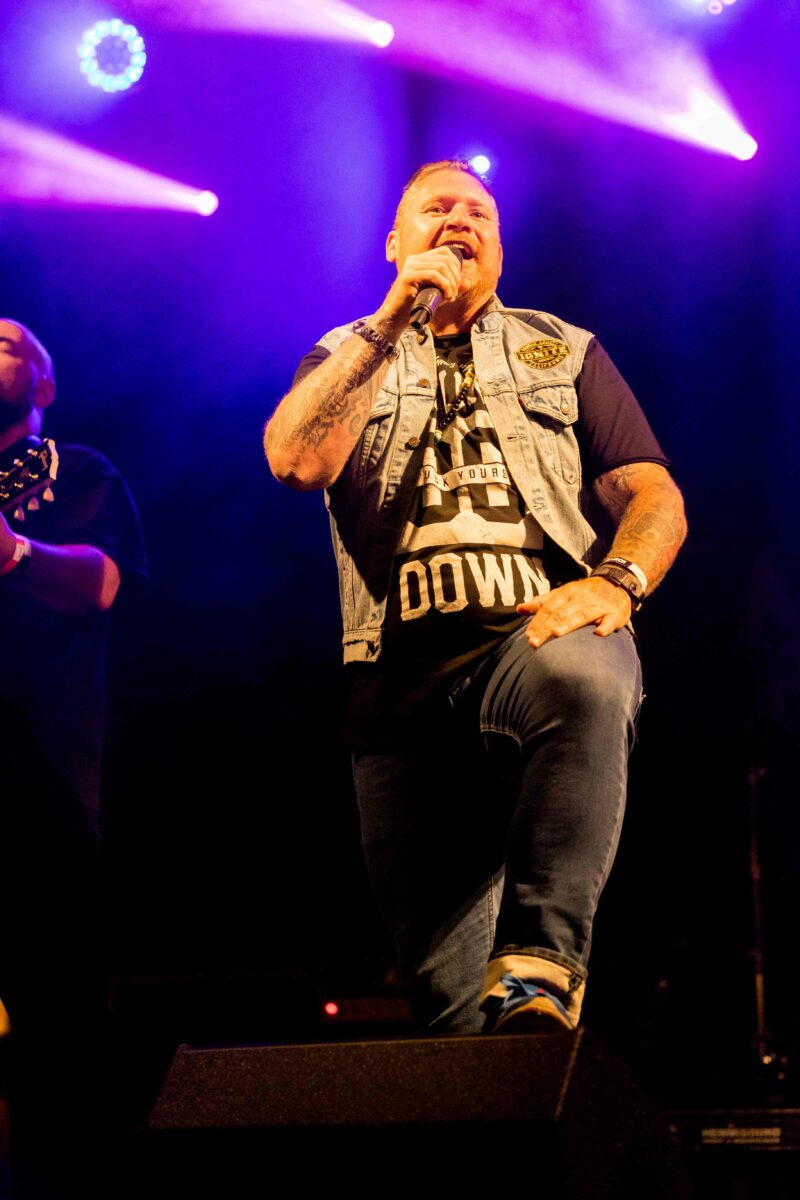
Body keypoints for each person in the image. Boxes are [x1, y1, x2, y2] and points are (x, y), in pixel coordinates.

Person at [264, 161, 687, 1036]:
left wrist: (617, 579)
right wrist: (391, 321)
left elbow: (652, 492)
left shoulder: (562, 348)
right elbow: (296, 462)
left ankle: (540, 963)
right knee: (454, 1014)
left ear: (500, 247)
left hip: (531, 637)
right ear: (395, 243)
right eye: (438, 208)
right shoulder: (346, 353)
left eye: (479, 213)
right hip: (400, 682)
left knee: (586, 674)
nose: (460, 221)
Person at [0, 317, 146, 1193]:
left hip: (40, 782)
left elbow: (101, 584)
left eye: (5, 345)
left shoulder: (76, 472)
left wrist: (14, 551)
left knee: (55, 1030)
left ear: (43, 387)